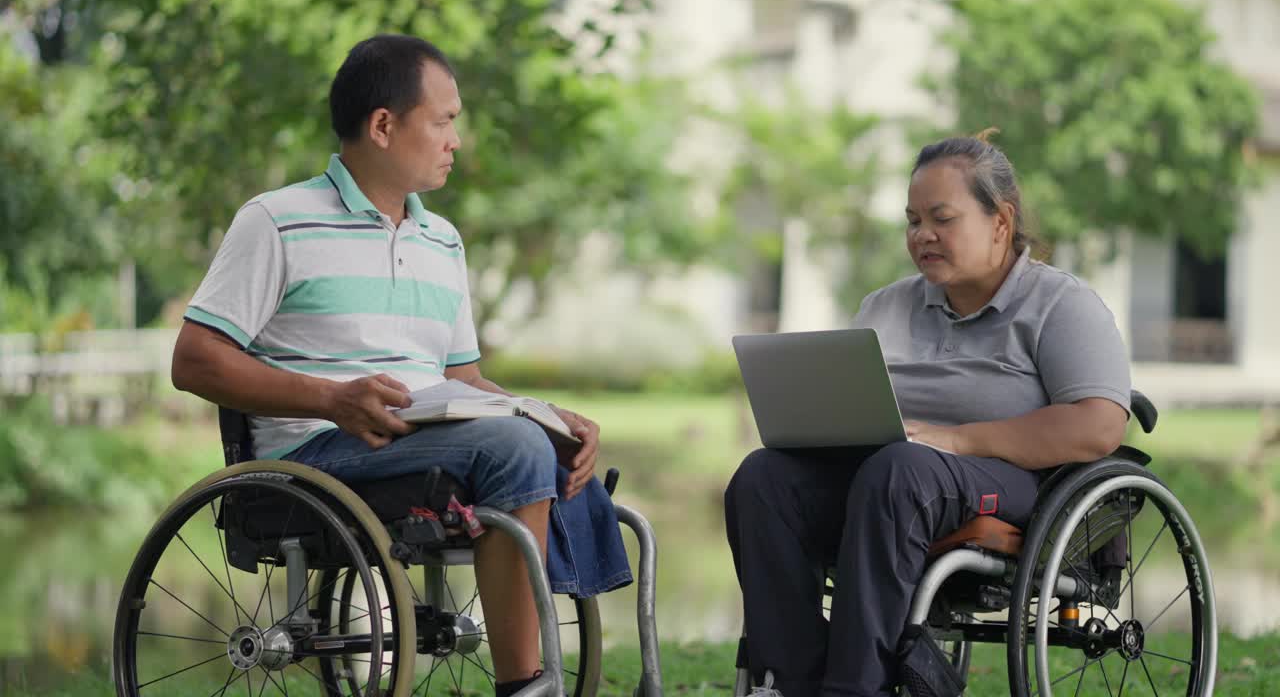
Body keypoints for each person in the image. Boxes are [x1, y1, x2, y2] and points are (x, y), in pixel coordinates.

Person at [171, 34, 632, 697]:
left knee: (547, 445)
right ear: (384, 125)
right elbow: (194, 360)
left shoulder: (441, 240)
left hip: (427, 440)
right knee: (516, 448)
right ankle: (527, 687)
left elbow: (465, 381)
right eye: (444, 122)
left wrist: (543, 415)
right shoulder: (276, 221)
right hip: (315, 455)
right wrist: (333, 400)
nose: (456, 140)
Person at [723, 129, 1132, 697]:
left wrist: (957, 439)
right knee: (763, 478)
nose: (923, 235)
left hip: (1007, 480)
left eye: (942, 218)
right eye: (913, 221)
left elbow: (1100, 424)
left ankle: (855, 688)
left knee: (901, 470)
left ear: (1000, 221)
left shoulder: (1061, 305)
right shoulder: (885, 305)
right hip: (887, 476)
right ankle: (787, 680)